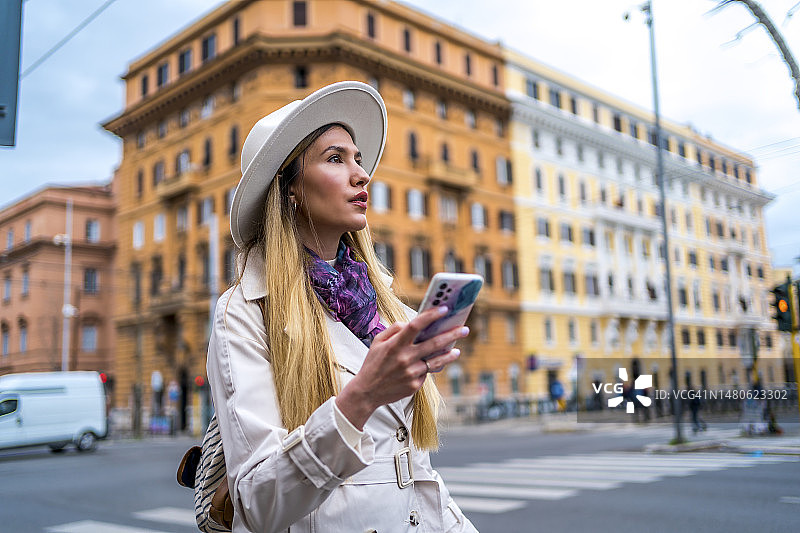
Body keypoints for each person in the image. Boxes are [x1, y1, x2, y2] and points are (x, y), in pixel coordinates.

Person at [207, 81, 478, 533]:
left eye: (357, 159)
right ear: (289, 188)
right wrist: (363, 397)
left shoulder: (387, 308)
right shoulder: (244, 311)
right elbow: (256, 501)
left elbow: (414, 476)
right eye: (335, 158)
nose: (361, 174)